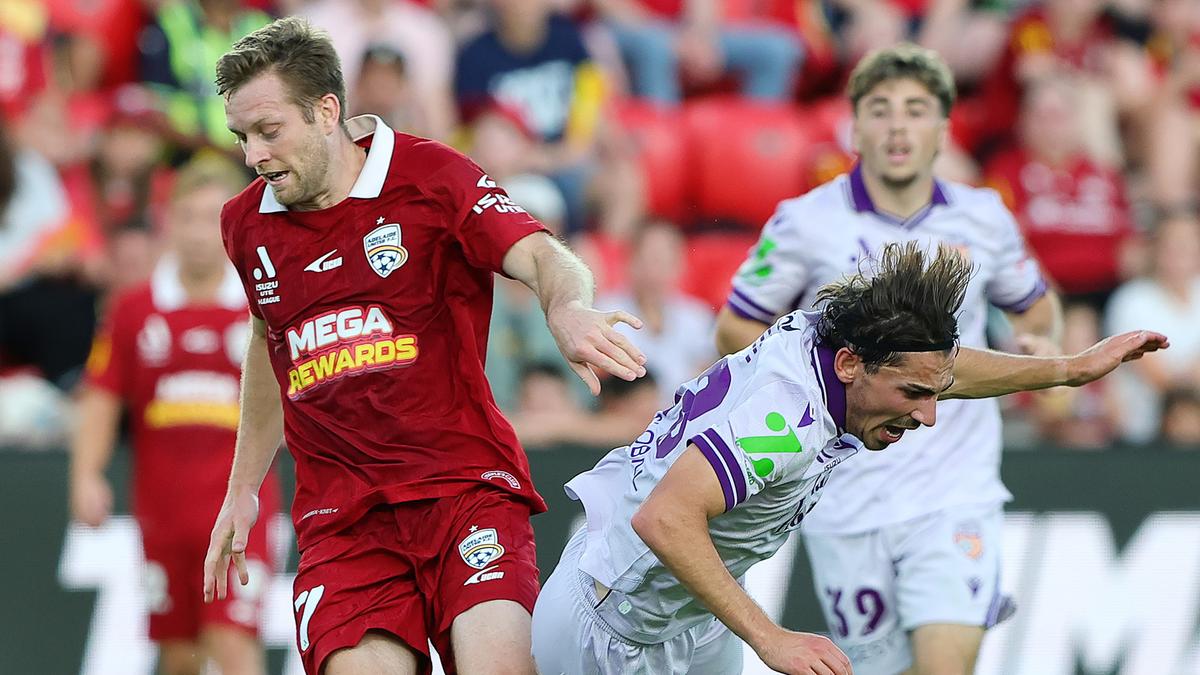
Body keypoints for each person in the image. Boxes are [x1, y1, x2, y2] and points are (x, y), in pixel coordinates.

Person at [201, 17, 646, 675]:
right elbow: (273, 341)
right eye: (243, 137)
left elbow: (541, 255)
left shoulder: (431, 176)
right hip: (342, 523)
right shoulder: (245, 225)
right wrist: (242, 486)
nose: (254, 156)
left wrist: (567, 306)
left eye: (270, 132)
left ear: (327, 111)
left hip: (463, 490)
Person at [531, 241, 1166, 675]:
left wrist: (1065, 368)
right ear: (850, 367)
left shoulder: (844, 339)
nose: (928, 415)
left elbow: (941, 369)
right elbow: (663, 519)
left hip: (689, 613)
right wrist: (772, 637)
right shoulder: (787, 419)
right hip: (614, 622)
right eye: (914, 396)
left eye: (931, 392)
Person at [714, 44, 1064, 675]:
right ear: (854, 128)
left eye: (915, 110)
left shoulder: (984, 217)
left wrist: (1039, 341)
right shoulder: (804, 222)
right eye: (880, 110)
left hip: (956, 488)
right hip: (844, 496)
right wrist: (810, 386)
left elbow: (1034, 308)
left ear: (942, 130)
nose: (897, 125)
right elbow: (736, 325)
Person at [70, 157, 279, 675]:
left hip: (239, 516)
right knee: (180, 655)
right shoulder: (134, 310)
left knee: (232, 645)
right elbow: (101, 397)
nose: (197, 233)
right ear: (168, 222)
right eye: (185, 217)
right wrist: (85, 475)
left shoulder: (260, 306)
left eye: (211, 217)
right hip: (162, 517)